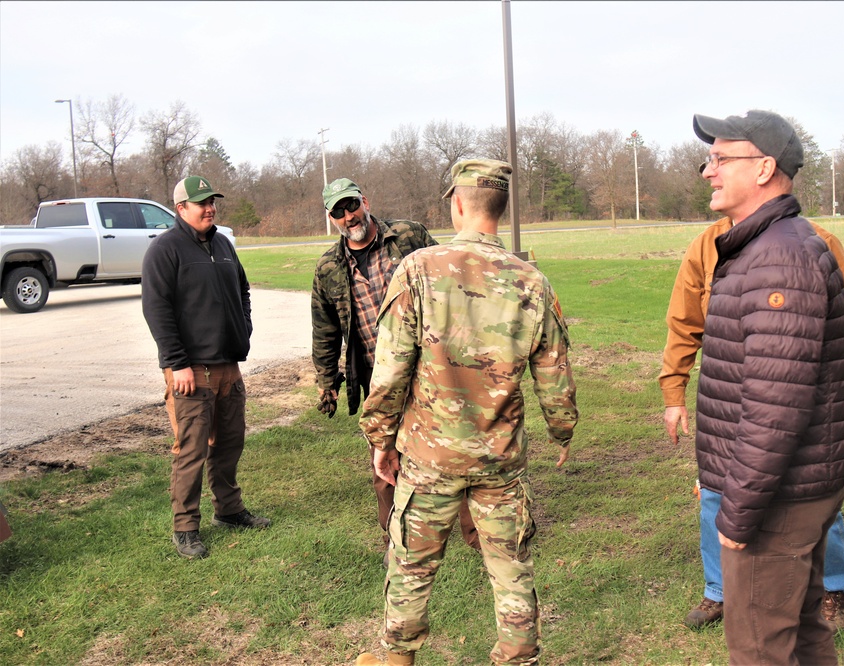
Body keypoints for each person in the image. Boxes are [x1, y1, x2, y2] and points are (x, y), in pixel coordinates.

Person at [355, 159, 578, 666]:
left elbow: (389, 371)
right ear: (500, 208)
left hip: (430, 457)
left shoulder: (417, 270)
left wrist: (380, 439)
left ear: (457, 204)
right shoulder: (532, 282)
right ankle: (518, 658)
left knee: (411, 566)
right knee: (510, 568)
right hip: (499, 460)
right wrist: (563, 431)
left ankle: (396, 659)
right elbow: (554, 375)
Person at [686, 110, 844, 664]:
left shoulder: (779, 258)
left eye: (720, 158)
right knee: (805, 630)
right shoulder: (766, 245)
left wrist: (737, 512)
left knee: (760, 647)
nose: (707, 171)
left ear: (764, 167)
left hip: (780, 495)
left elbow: (775, 406)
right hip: (792, 483)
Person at [660, 200, 844, 631]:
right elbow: (684, 322)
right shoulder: (706, 245)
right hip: (726, 402)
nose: (711, 177)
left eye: (723, 163)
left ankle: (832, 587)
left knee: (809, 488)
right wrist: (673, 392)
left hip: (794, 402)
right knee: (715, 491)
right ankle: (720, 590)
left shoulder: (814, 242)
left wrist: (809, 372)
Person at [311, 178, 482, 555]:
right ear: (331, 218)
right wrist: (327, 381)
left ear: (364, 201)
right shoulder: (328, 268)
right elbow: (324, 329)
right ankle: (397, 537)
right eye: (338, 211)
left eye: (351, 204)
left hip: (432, 366)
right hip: (379, 377)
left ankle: (480, 534)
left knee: (459, 446)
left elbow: (449, 280)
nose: (348, 215)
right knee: (384, 455)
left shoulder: (408, 235)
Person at [142, 176, 270, 560]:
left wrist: (243, 328)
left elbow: (242, 290)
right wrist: (176, 362)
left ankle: (229, 511)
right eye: (201, 203)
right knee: (192, 450)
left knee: (231, 443)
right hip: (191, 372)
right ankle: (185, 526)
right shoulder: (165, 250)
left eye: (212, 200)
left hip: (229, 367)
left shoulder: (223, 245)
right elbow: (156, 309)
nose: (209, 207)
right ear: (181, 208)